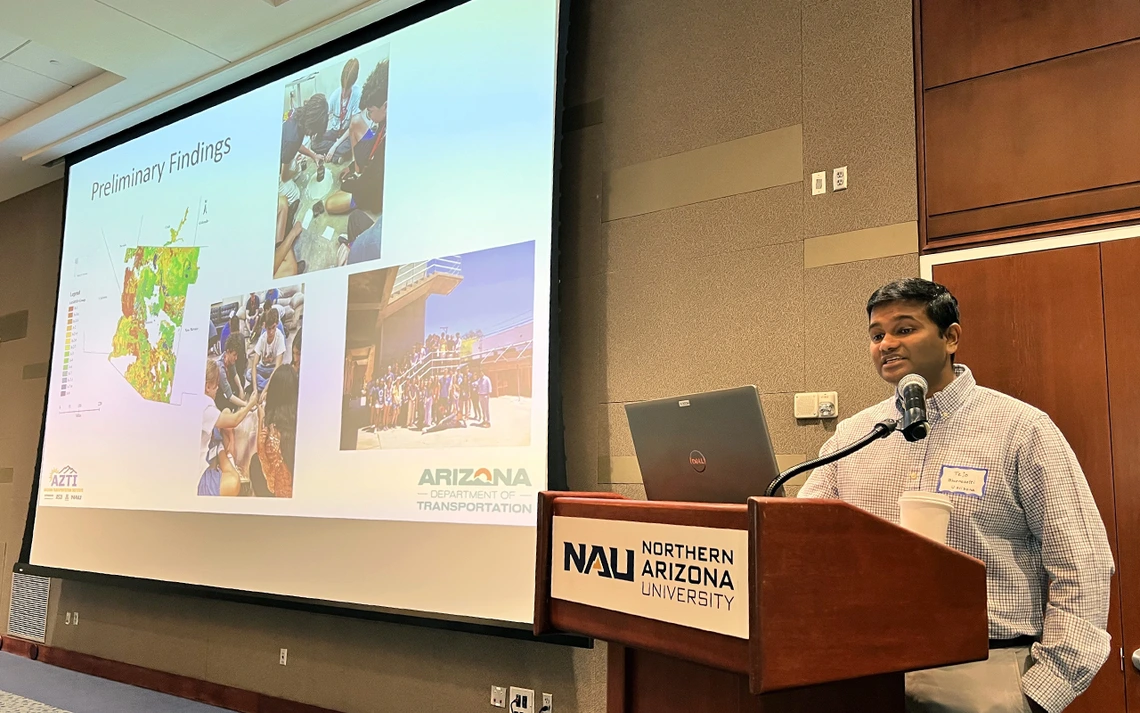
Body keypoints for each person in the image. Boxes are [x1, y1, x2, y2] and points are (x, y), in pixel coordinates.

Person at [797, 278, 1114, 713]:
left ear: (951, 337)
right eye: (876, 335)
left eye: (904, 329)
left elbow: (1083, 564)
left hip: (984, 670)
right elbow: (801, 537)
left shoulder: (1022, 429)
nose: (886, 344)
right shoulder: (853, 435)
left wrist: (1041, 691)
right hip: (862, 670)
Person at [326, 60, 389, 216]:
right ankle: (356, 175)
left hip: (375, 189)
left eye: (370, 111)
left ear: (386, 106)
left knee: (331, 204)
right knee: (354, 124)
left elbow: (375, 179)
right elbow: (375, 142)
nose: (370, 117)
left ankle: (358, 198)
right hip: (370, 168)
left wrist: (354, 184)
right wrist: (353, 167)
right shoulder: (383, 120)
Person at [200, 359, 256, 497]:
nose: (217, 389)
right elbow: (234, 421)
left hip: (207, 445)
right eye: (216, 386)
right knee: (233, 482)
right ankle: (224, 455)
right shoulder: (204, 405)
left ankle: (223, 453)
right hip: (198, 472)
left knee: (225, 412)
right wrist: (250, 404)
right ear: (207, 386)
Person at [249, 365, 299, 498]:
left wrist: (261, 419)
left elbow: (262, 457)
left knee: (255, 461)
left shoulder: (273, 432)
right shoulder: (301, 421)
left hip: (279, 495)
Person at [315, 58, 362, 164]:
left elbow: (353, 127)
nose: (344, 92)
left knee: (357, 139)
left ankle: (335, 153)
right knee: (314, 143)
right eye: (343, 88)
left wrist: (334, 146)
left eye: (347, 89)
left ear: (353, 84)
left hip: (348, 133)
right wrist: (318, 129)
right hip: (335, 132)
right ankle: (338, 155)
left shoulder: (357, 95)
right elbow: (325, 115)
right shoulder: (335, 96)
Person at [251, 308, 286, 394]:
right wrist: (255, 390)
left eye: (273, 327)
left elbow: (277, 366)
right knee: (249, 373)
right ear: (265, 327)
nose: (271, 332)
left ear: (276, 324)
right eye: (268, 329)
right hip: (262, 368)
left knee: (281, 375)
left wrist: (264, 390)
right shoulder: (262, 338)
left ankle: (266, 386)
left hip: (273, 369)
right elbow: (254, 365)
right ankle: (271, 386)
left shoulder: (280, 337)